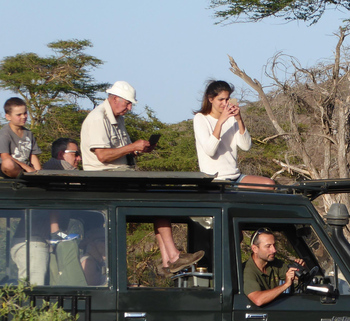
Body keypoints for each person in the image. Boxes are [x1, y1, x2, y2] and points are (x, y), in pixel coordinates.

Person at [81, 81, 203, 275]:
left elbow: (120, 152)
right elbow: (102, 156)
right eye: (128, 103)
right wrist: (132, 147)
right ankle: (172, 256)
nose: (129, 108)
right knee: (158, 197)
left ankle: (168, 259)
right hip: (104, 180)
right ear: (114, 99)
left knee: (157, 197)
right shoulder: (97, 118)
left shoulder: (116, 118)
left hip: (119, 176)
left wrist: (139, 150)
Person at [193, 80, 274, 187]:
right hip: (214, 178)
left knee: (268, 184)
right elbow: (210, 151)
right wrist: (220, 122)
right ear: (210, 99)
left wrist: (239, 119)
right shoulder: (200, 118)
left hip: (234, 176)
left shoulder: (231, 119)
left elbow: (246, 146)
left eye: (227, 99)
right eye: (221, 99)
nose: (224, 103)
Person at [243, 228, 305, 306]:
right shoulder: (247, 270)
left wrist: (300, 268)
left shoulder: (273, 263)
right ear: (255, 249)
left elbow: (296, 276)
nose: (274, 250)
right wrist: (285, 285)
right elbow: (258, 300)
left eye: (274, 245)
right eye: (268, 246)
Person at [0, 97, 42, 178]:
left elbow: (33, 156)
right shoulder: (4, 134)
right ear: (8, 117)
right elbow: (5, 156)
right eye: (19, 115)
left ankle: (33, 179)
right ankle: (25, 178)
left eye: (25, 113)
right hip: (10, 171)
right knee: (7, 163)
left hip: (28, 170)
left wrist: (39, 173)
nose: (23, 117)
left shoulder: (29, 133)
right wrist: (27, 168)